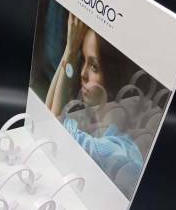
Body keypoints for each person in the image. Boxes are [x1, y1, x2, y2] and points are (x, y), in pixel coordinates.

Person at [45, 11, 143, 198]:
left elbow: (50, 124)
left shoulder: (105, 149)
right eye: (83, 60)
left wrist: (70, 52)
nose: (83, 74)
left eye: (94, 67)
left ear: (113, 75)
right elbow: (47, 112)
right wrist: (69, 51)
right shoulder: (116, 137)